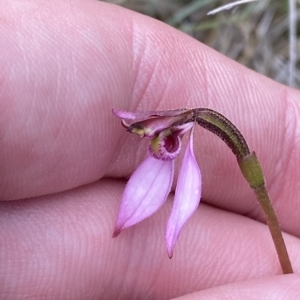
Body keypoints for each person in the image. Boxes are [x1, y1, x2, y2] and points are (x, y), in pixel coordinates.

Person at [0, 1, 299, 299]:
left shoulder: (187, 136)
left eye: (159, 137)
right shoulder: (179, 141)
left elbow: (179, 210)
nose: (155, 143)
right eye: (155, 137)